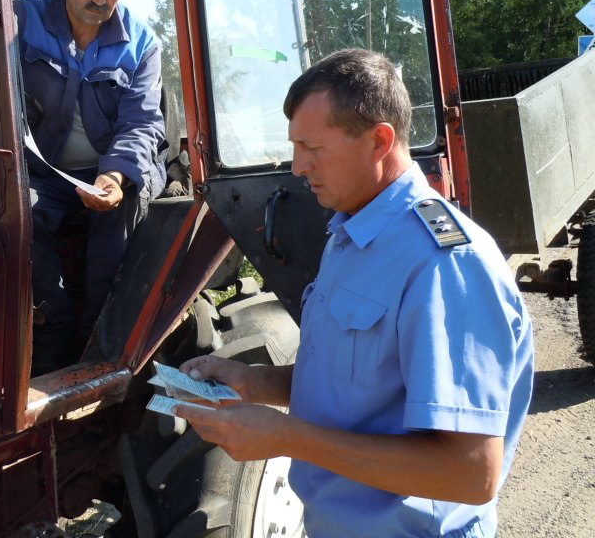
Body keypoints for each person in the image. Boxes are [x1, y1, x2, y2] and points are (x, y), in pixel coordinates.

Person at [176, 49, 534, 538]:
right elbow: (364, 383)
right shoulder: (351, 232)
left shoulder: (446, 264)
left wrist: (287, 439)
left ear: (378, 141)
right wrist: (256, 382)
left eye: (312, 148)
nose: (298, 166)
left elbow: (471, 473)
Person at [13, 0, 167, 375]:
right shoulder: (20, 21)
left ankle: (103, 349)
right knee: (13, 214)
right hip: (44, 173)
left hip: (113, 170)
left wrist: (114, 177)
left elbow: (142, 122)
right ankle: (50, 332)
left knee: (114, 221)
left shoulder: (141, 43)